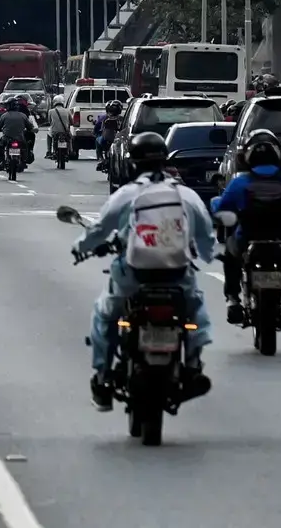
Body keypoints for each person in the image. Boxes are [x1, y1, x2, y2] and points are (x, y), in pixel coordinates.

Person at [75, 130, 216, 410]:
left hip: (133, 275)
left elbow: (100, 230)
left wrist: (80, 247)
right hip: (177, 275)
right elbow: (205, 234)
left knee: (105, 315)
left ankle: (102, 378)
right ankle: (193, 365)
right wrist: (207, 254)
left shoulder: (127, 194)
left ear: (133, 163)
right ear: (165, 161)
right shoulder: (184, 194)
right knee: (194, 310)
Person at [212, 129, 281, 320]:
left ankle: (233, 299)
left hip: (247, 236)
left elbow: (222, 207)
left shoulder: (240, 182)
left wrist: (214, 202)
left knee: (230, 256)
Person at [0, 95, 36, 170]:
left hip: (6, 138)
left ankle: (2, 162)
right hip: (20, 138)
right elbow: (30, 127)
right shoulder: (23, 115)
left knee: (0, 147)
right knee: (25, 148)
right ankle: (23, 161)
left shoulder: (4, 116)